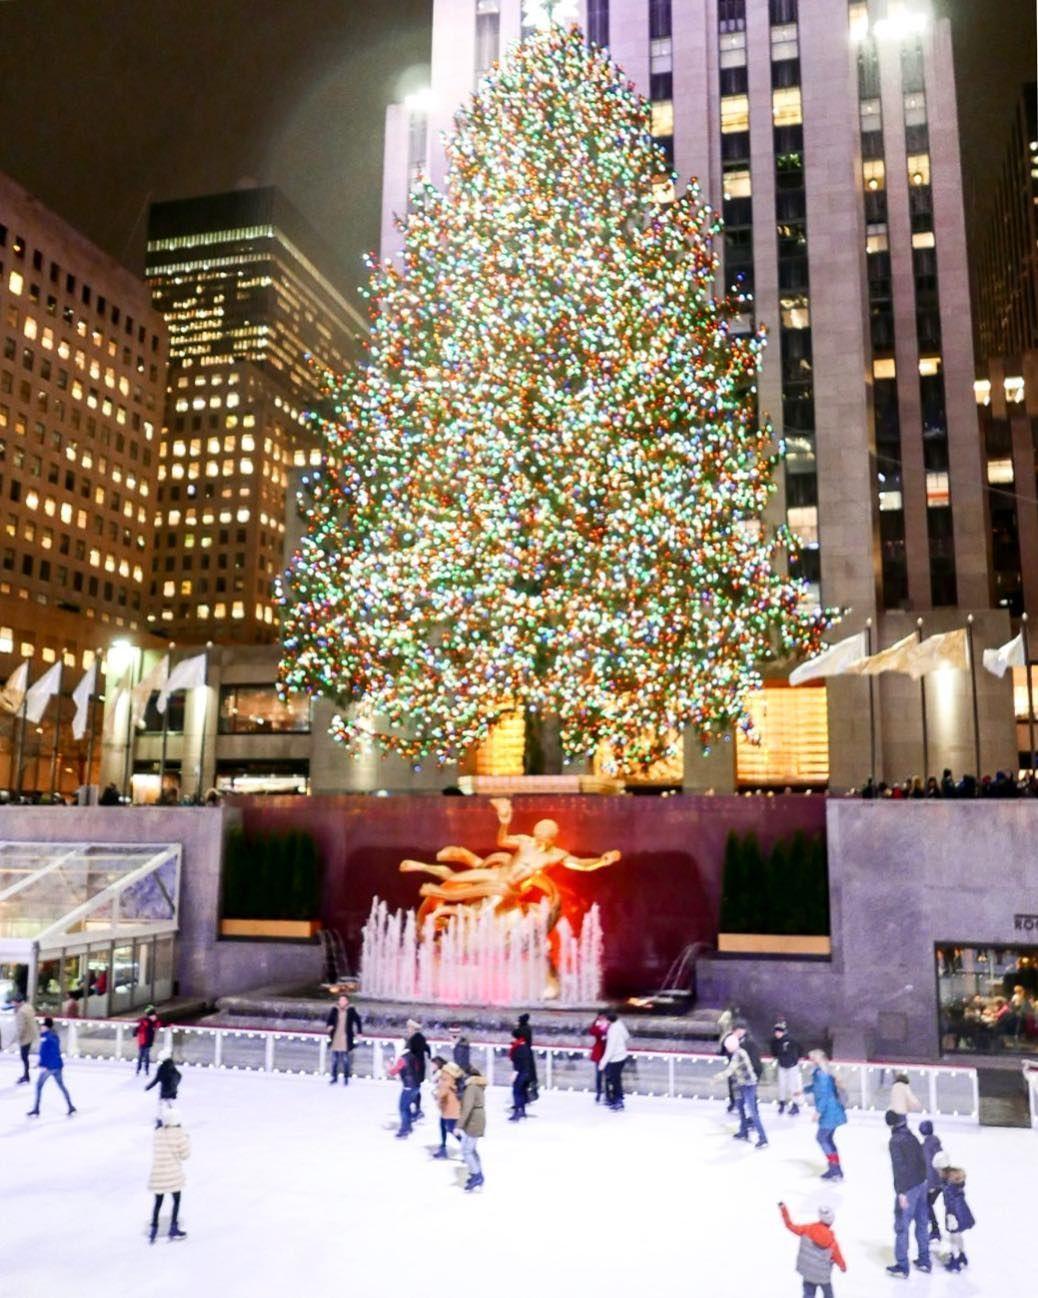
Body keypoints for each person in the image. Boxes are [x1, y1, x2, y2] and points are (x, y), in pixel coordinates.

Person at [885, 1109, 931, 1277]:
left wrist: (901, 1192)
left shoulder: (895, 1141)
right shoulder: (912, 1137)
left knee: (902, 1227)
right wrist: (925, 1180)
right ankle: (925, 1260)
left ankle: (902, 1265)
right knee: (922, 1223)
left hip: (908, 1188)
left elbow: (899, 1168)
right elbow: (922, 1159)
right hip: (921, 1184)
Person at [778, 1201, 847, 1297]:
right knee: (828, 1294)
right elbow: (837, 1256)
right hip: (823, 1276)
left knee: (808, 1293)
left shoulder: (807, 1229)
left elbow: (790, 1226)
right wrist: (843, 1267)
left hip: (808, 1273)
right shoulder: (831, 1240)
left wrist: (783, 1209)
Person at [717, 1025, 768, 1149]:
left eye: (728, 1047)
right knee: (740, 1107)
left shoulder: (739, 1054)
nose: (727, 1049)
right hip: (740, 1084)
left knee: (752, 1112)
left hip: (749, 1085)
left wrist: (717, 1077)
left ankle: (763, 1138)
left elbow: (729, 1070)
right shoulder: (736, 1052)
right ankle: (743, 1131)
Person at [148, 1108, 190, 1243]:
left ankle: (153, 1229)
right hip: (173, 1175)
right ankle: (173, 1227)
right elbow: (185, 1155)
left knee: (158, 1202)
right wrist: (186, 1139)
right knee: (176, 1200)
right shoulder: (179, 1134)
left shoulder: (158, 1132)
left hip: (158, 1174)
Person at [804, 1050, 847, 1181]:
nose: (810, 1061)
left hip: (829, 1111)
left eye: (812, 1059)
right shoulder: (822, 1072)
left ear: (817, 1060)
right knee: (827, 1139)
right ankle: (835, 1169)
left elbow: (823, 1094)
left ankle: (835, 1169)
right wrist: (803, 1091)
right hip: (832, 1110)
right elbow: (817, 1088)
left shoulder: (821, 1074)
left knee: (822, 1138)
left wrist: (818, 1112)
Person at [932, 1151, 975, 1272]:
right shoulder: (955, 1178)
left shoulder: (949, 1183)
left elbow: (950, 1200)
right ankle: (962, 1256)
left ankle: (955, 1260)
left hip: (954, 1212)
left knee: (954, 1236)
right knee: (958, 1235)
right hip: (962, 1209)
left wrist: (951, 1215)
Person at [26, 1017, 76, 1118]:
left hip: (50, 1067)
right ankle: (70, 1106)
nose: (41, 1027)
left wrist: (43, 1065)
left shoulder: (47, 1039)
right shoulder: (52, 1036)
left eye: (42, 1026)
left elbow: (47, 1053)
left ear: (46, 1027)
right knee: (61, 1086)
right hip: (57, 1066)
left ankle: (36, 1109)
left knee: (39, 1086)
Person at [458, 1063, 487, 1191]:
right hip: (476, 1118)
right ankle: (477, 1172)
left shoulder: (471, 1087)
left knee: (466, 1150)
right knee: (472, 1149)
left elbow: (467, 1107)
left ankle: (477, 1175)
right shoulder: (477, 1086)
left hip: (473, 1120)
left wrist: (459, 1125)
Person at [326, 994, 362, 1085]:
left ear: (347, 1002)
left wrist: (359, 1032)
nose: (341, 1002)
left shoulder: (351, 1010)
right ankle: (334, 1077)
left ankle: (346, 1078)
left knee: (345, 1060)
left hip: (346, 1038)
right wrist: (329, 1026)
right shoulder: (334, 1009)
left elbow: (358, 1020)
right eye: (340, 1000)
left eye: (343, 1000)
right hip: (335, 1037)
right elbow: (329, 1019)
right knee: (335, 1059)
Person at [388, 1044, 422, 1138]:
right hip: (416, 1085)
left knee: (403, 1108)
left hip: (408, 1086)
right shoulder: (413, 1056)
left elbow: (393, 1072)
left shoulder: (402, 1059)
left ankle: (405, 1129)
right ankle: (408, 1126)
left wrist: (390, 1067)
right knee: (406, 1107)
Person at [432, 1056, 463, 1157]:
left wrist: (436, 1094)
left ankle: (468, 1150)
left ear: (437, 1064)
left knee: (451, 1129)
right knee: (442, 1126)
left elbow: (444, 1089)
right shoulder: (447, 1072)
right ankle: (443, 1149)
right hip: (448, 1105)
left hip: (451, 1106)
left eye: (433, 1064)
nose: (431, 1066)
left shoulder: (446, 1074)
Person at [771, 1019, 803, 1115]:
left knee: (793, 1086)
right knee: (782, 1085)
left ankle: (795, 1105)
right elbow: (774, 1052)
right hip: (782, 1066)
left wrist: (798, 1058)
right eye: (776, 1032)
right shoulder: (774, 1042)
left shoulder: (792, 1040)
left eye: (779, 1032)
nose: (777, 1034)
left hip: (792, 1066)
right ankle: (782, 1103)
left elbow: (800, 1048)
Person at [600, 1011, 631, 1111]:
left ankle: (618, 1101)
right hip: (622, 1056)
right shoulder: (619, 1024)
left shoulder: (613, 1030)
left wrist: (603, 1063)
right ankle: (617, 1099)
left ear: (609, 1019)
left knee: (615, 1080)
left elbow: (610, 1049)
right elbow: (626, 1036)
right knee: (616, 1079)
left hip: (616, 1058)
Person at [919, 1120, 944, 1241]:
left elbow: (930, 1166)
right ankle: (934, 1228)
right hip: (940, 1181)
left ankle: (935, 1230)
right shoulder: (935, 1143)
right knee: (927, 1204)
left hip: (934, 1182)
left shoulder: (927, 1147)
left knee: (926, 1204)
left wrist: (930, 1185)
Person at [145, 1050, 182, 1128]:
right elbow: (179, 1076)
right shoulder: (172, 1066)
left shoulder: (162, 1068)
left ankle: (160, 1120)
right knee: (171, 1105)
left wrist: (148, 1087)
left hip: (165, 1090)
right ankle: (176, 1121)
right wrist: (175, 1085)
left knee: (161, 1105)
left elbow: (156, 1079)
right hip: (172, 1090)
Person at [405, 1018, 431, 1120]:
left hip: (415, 1070)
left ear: (413, 1028)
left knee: (414, 1090)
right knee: (415, 1090)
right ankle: (417, 1109)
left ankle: (417, 1110)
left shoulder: (416, 1039)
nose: (408, 1029)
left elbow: (413, 1055)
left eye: (409, 1027)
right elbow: (426, 1049)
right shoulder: (418, 1038)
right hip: (417, 1069)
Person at [13, 993, 39, 1085]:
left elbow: (21, 1027)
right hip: (31, 1035)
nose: (13, 1004)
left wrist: (16, 1038)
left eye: (14, 1002)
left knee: (24, 1057)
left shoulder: (21, 1012)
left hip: (25, 1037)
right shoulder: (28, 1007)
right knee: (25, 1057)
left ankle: (26, 1076)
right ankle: (26, 1075)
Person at [509, 1027, 534, 1121]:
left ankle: (517, 1112)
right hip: (526, 1072)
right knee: (522, 1092)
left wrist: (515, 1073)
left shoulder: (518, 1047)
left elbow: (519, 1062)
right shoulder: (525, 1046)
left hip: (520, 1073)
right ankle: (522, 1111)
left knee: (517, 1092)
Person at [516, 1012, 539, 1102]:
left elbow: (515, 1033)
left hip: (524, 1059)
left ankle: (524, 1100)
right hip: (525, 1059)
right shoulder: (527, 1029)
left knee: (523, 1080)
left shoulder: (524, 1030)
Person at [588, 1011, 609, 1102]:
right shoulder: (597, 1025)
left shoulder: (609, 1025)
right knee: (599, 1075)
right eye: (600, 1017)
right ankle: (599, 1093)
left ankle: (608, 1093)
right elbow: (592, 1032)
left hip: (608, 1053)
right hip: (599, 1054)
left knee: (608, 1075)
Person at [135, 1006, 161, 1077]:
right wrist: (136, 1032)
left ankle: (145, 1070)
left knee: (146, 1056)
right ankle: (139, 1070)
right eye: (153, 1016)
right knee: (142, 1056)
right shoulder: (145, 1022)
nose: (155, 1017)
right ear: (150, 1016)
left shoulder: (154, 1023)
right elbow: (139, 1028)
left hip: (148, 1042)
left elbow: (159, 1025)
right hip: (143, 1041)